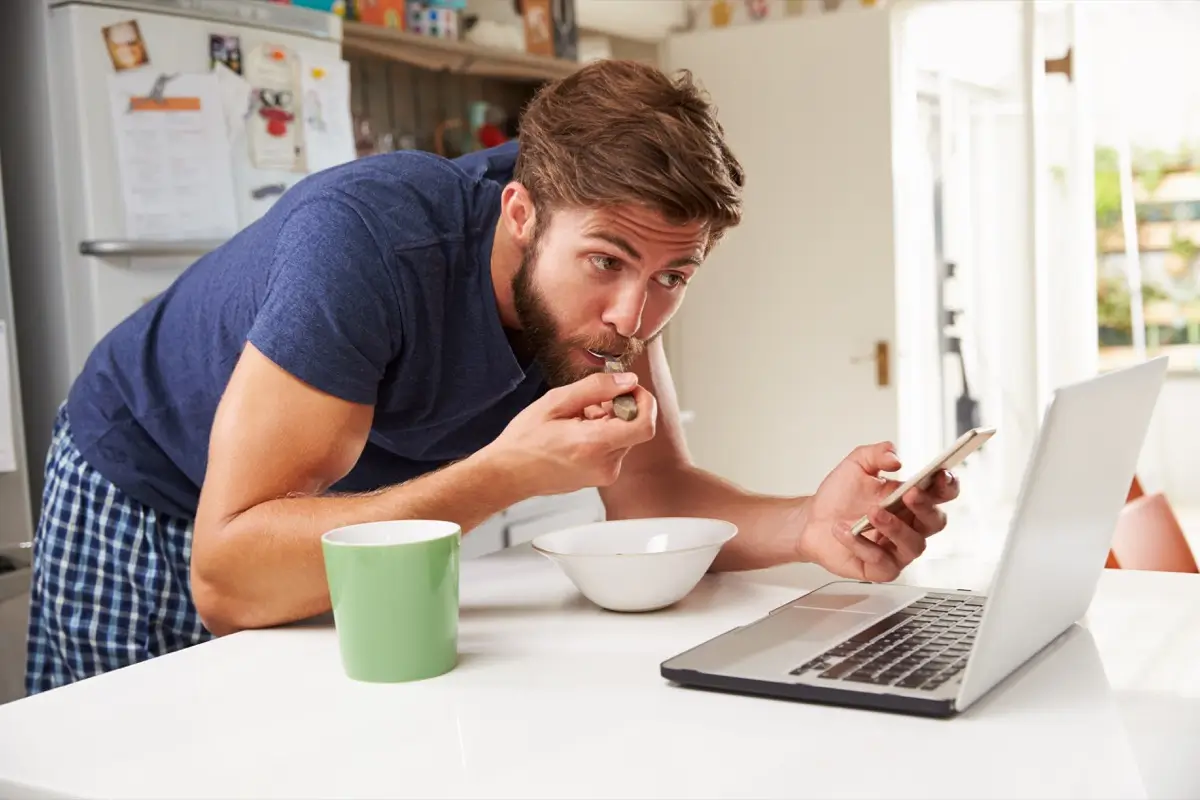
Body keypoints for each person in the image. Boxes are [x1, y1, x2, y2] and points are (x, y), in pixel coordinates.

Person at [25, 59, 957, 696]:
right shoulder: (368, 246)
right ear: (520, 212)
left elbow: (655, 495)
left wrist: (809, 524)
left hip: (316, 517)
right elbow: (228, 577)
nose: (635, 317)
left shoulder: (612, 291)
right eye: (608, 262)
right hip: (149, 485)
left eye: (674, 275)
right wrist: (508, 471)